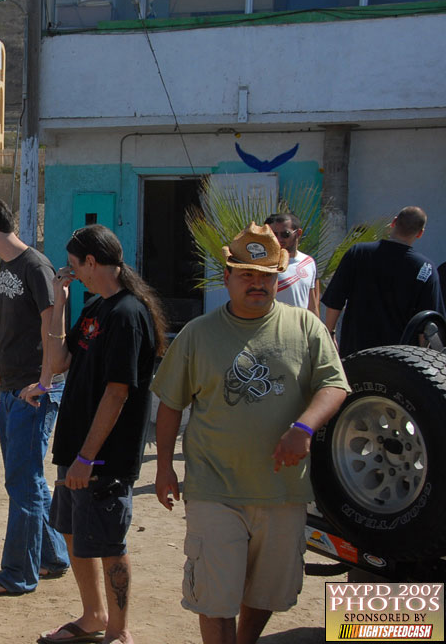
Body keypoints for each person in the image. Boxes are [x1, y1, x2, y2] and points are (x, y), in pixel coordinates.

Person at [151, 222, 349, 644]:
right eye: (246, 274)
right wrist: (164, 467)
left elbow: (335, 385)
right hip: (214, 489)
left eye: (266, 276)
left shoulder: (306, 327)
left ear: (279, 278)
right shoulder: (198, 334)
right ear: (226, 278)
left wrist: (303, 427)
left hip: (282, 491)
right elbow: (170, 403)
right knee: (215, 598)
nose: (257, 284)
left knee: (265, 592)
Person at [36, 224, 167, 644]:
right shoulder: (95, 307)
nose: (70, 272)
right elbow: (59, 362)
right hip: (75, 448)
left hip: (103, 456)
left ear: (91, 262)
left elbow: (117, 392)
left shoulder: (128, 314)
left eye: (73, 265)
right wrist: (59, 303)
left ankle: (118, 630)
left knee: (110, 543)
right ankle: (93, 615)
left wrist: (87, 457)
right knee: (73, 532)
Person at [0, 195, 70, 596]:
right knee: (28, 479)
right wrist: (1, 364)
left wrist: (44, 381)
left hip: (33, 392)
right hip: (12, 386)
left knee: (23, 483)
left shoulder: (35, 266)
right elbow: (16, 326)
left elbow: (52, 325)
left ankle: (19, 574)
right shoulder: (8, 265)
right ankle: (53, 555)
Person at [322, 206, 445, 356]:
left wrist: (329, 333)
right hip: (400, 358)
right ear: (420, 233)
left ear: (394, 222)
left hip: (356, 353)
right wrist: (422, 357)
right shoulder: (425, 268)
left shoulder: (358, 253)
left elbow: (335, 299)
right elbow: (427, 323)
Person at [263, 212, 319, 313]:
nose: (279, 239)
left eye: (285, 234)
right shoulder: (263, 264)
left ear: (298, 233)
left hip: (301, 322)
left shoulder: (309, 262)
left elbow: (312, 305)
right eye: (274, 234)